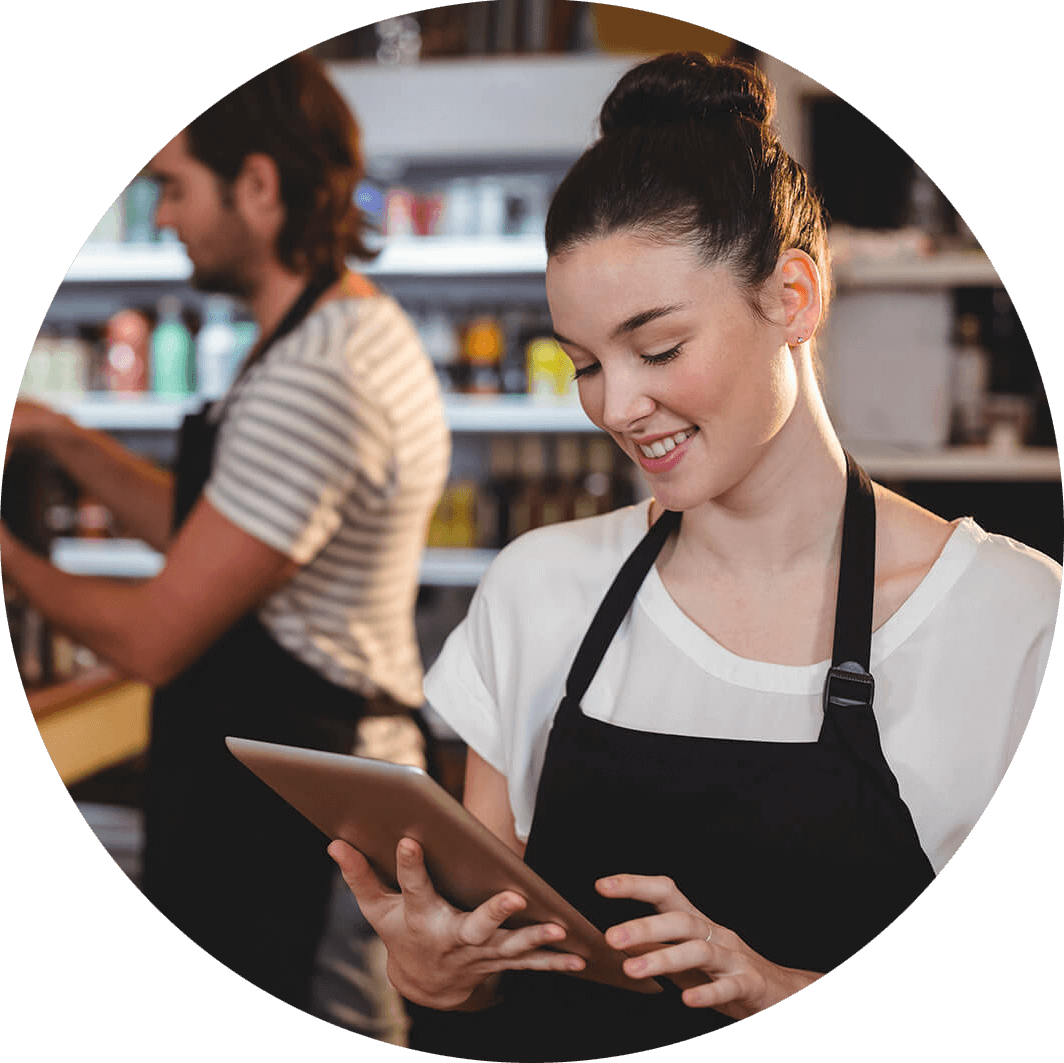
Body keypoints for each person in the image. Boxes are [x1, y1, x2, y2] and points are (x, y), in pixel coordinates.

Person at [326, 51, 1061, 1059]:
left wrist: (774, 988)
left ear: (792, 296)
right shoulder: (539, 589)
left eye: (657, 347)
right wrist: (432, 970)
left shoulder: (1006, 620)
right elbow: (476, 970)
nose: (617, 406)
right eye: (583, 363)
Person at [2, 52, 450, 1014]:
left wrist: (6, 556)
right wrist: (69, 440)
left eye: (174, 188)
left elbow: (156, 635)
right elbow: (215, 534)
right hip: (289, 782)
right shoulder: (326, 334)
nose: (162, 216)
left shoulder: (319, 373)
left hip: (312, 807)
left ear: (258, 184)